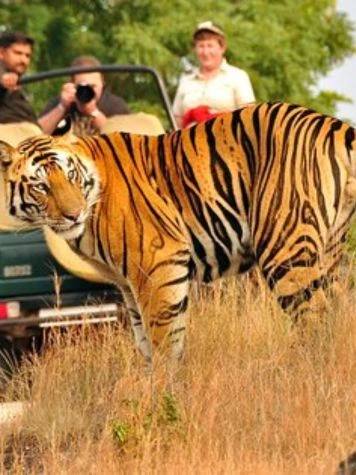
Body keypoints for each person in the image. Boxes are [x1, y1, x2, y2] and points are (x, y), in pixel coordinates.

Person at [172, 21, 255, 128]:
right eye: (201, 46)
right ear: (195, 49)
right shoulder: (186, 80)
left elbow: (248, 120)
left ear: (222, 48)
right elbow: (177, 120)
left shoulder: (238, 77)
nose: (205, 52)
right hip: (188, 141)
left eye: (210, 46)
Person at [38, 55, 130, 136]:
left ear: (102, 83)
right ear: (72, 84)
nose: (87, 91)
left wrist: (94, 113)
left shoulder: (115, 105)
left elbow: (124, 140)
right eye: (82, 86)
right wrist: (61, 108)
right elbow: (35, 135)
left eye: (93, 86)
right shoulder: (61, 103)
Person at [0, 31, 38, 125]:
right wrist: (2, 83)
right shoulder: (3, 78)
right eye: (18, 53)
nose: (23, 60)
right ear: (1, 53)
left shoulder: (21, 90)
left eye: (27, 55)